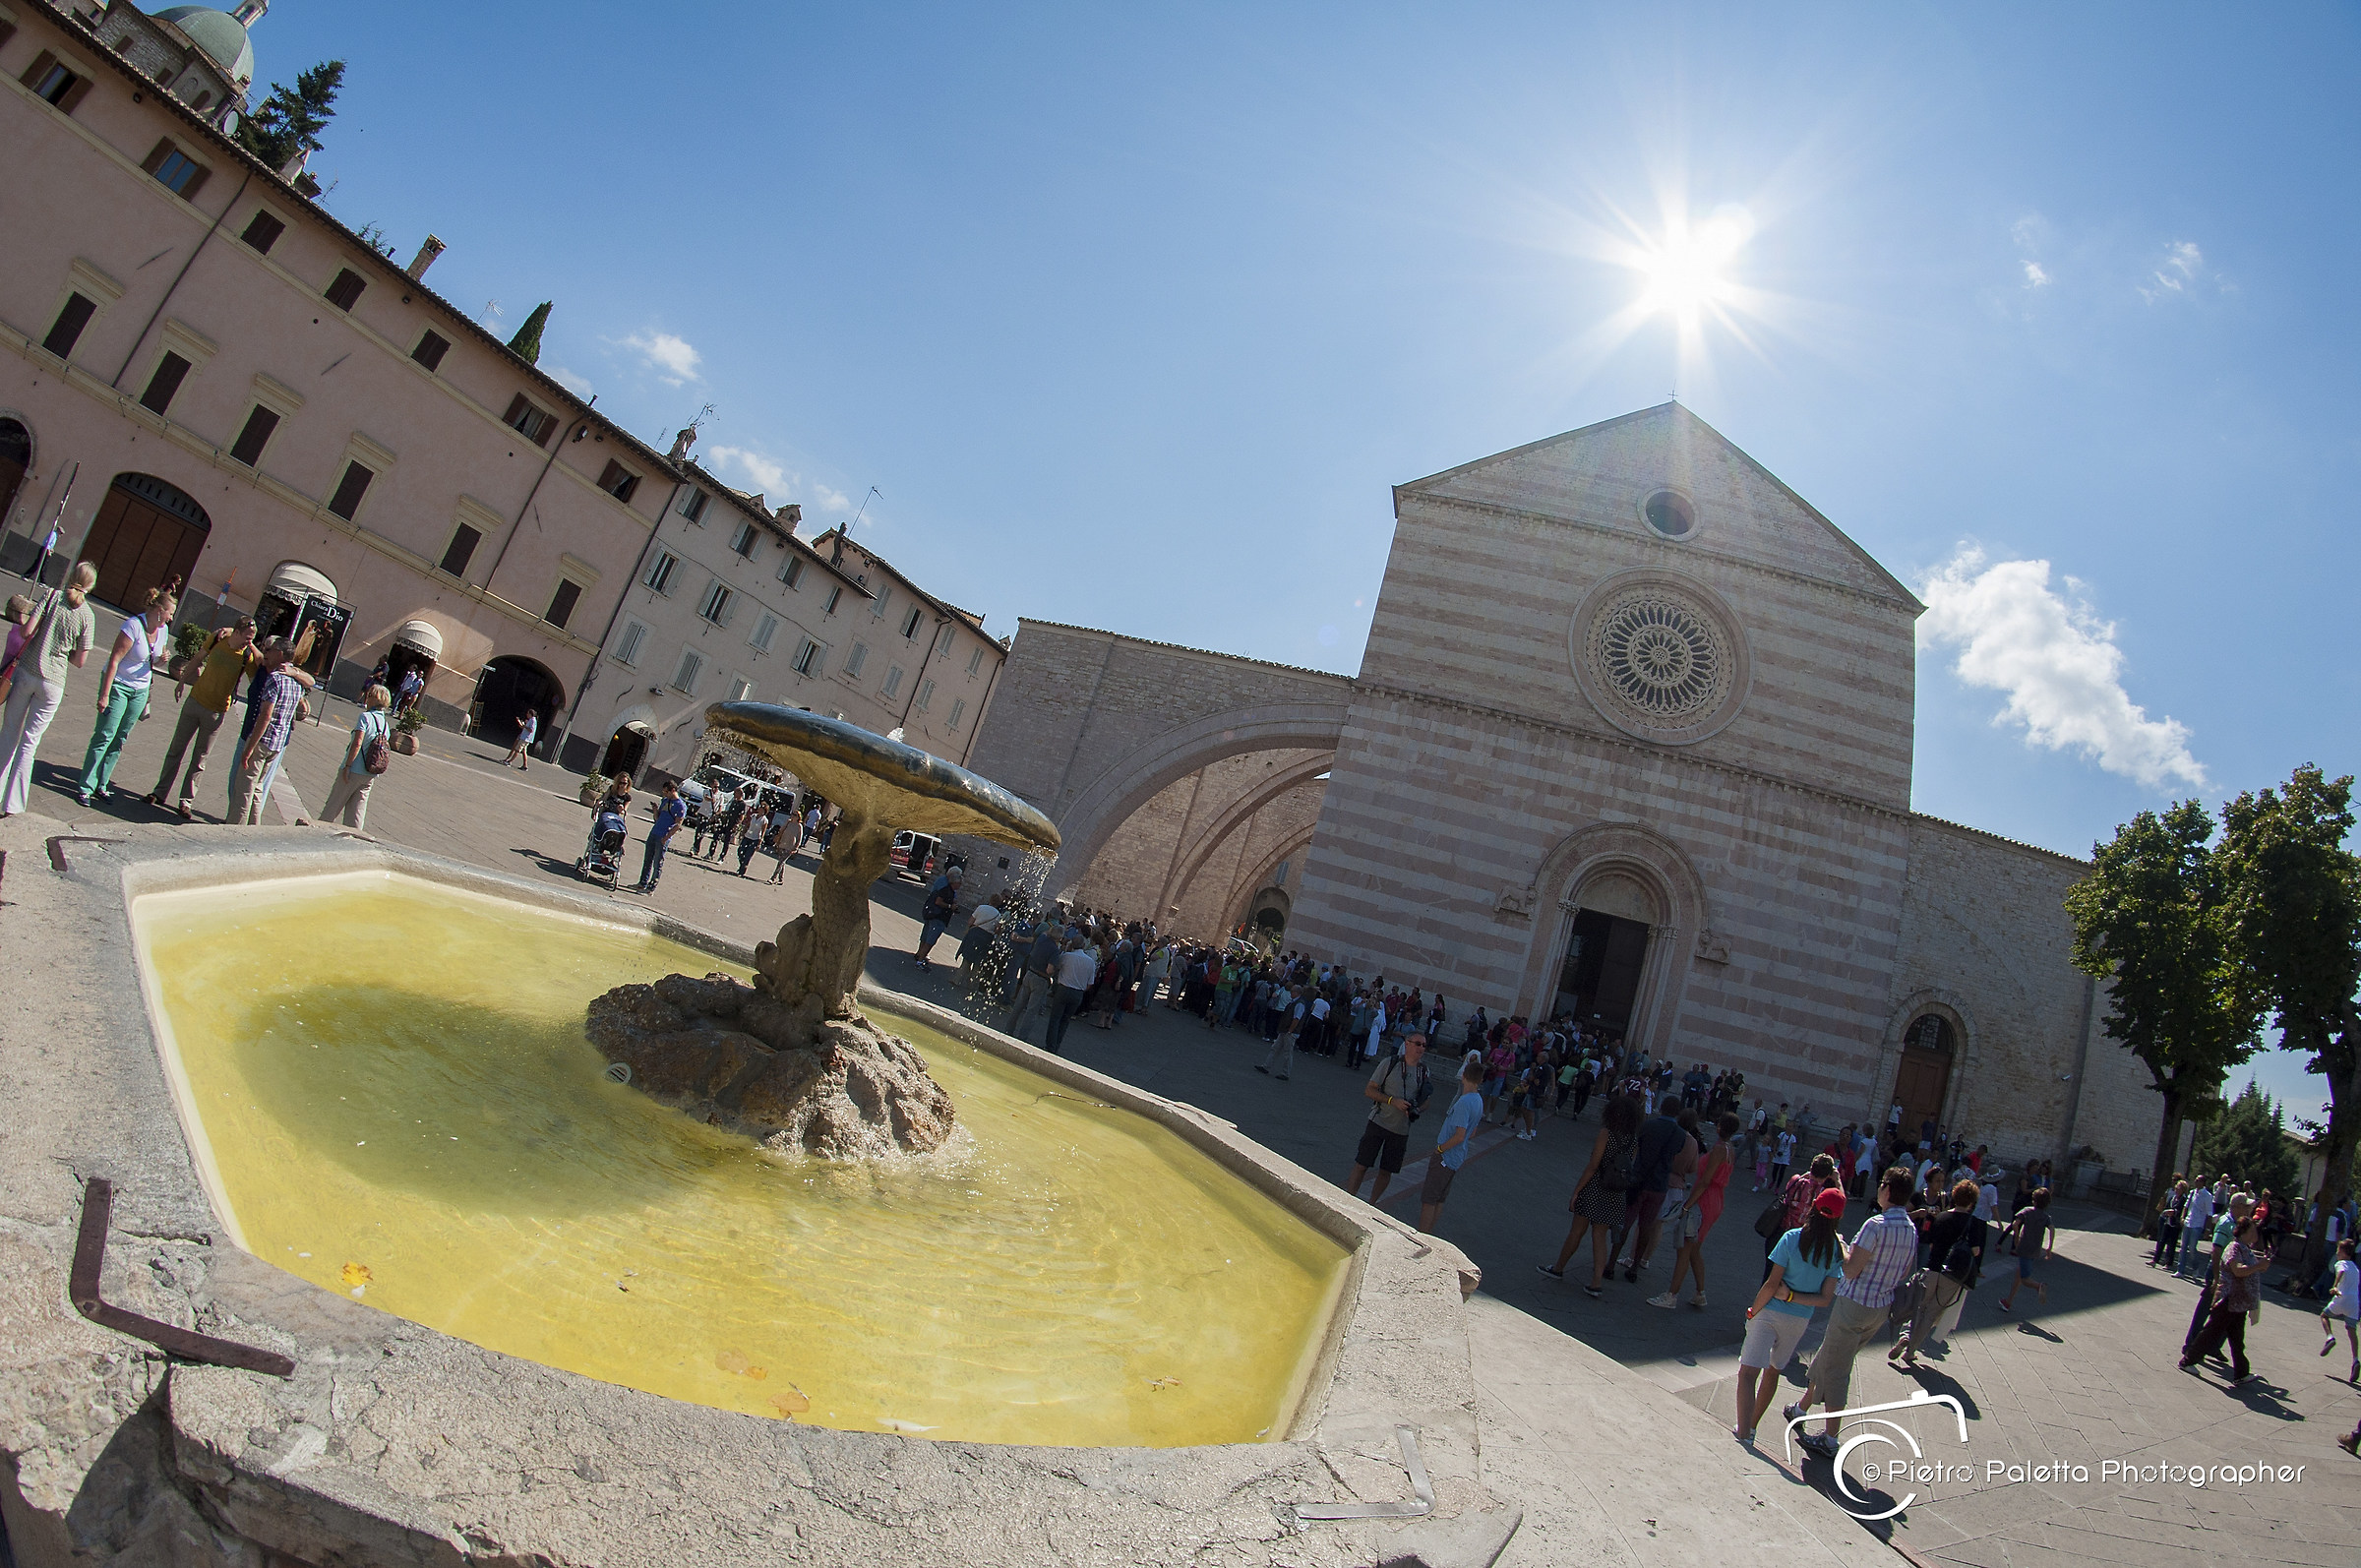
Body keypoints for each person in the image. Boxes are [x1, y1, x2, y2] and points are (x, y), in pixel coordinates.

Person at [1786, 1168, 1923, 1457]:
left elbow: (1850, 1269)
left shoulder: (1876, 1224)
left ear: (1886, 1189)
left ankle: (1830, 1438)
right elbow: (1906, 1271)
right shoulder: (1910, 1228)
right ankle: (1801, 1408)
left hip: (1855, 1304)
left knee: (1837, 1369)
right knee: (1830, 1354)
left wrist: (1842, 1245)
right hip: (1880, 1307)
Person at [1733, 1187, 1847, 1445]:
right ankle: (1751, 1427)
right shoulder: (1834, 1252)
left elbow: (1772, 1284)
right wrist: (1795, 1299)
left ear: (1814, 1208)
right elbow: (1825, 1299)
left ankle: (1743, 1434)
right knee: (1772, 1372)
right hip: (1799, 1319)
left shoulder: (1791, 1238)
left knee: (1748, 1373)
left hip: (1771, 1311)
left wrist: (1754, 1310)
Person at [0, 562, 98, 817]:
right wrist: (63, 650)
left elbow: (27, 630)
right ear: (91, 585)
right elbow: (79, 661)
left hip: (26, 672)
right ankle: (13, 805)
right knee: (29, 744)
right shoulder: (88, 615)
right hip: (53, 681)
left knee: (9, 733)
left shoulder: (52, 596)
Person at [146, 616, 266, 818]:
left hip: (217, 711)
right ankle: (160, 792)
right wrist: (182, 681)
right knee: (176, 749)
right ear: (236, 632)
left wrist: (251, 646)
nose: (249, 641)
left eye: (252, 638)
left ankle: (186, 801)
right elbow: (197, 659)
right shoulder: (217, 639)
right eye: (247, 637)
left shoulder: (248, 656)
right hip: (195, 700)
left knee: (200, 758)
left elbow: (261, 667)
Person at [76, 582, 176, 806]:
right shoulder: (132, 626)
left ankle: (102, 784)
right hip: (118, 685)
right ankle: (86, 786)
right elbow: (114, 660)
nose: (170, 619)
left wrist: (162, 660)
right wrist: (104, 694)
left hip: (140, 690)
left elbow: (151, 661)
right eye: (170, 614)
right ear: (160, 610)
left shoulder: (163, 631)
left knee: (120, 737)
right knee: (105, 734)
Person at [1540, 1095, 1643, 1297]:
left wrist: (1577, 1190)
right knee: (1600, 1235)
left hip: (1596, 1185)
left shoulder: (1606, 1133)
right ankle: (1596, 1282)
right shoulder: (1633, 1140)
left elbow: (1593, 1166)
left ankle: (1558, 1268)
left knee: (1577, 1231)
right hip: (1616, 1190)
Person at [1891, 1179, 1985, 1368]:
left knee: (1919, 1306)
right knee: (1932, 1313)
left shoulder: (1941, 1217)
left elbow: (1932, 1244)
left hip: (1933, 1268)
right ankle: (1910, 1351)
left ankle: (1905, 1336)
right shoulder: (1974, 1223)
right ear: (1972, 1202)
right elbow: (1975, 1251)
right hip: (1953, 1275)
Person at [1655, 1112, 1736, 1310]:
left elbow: (1706, 1180)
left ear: (1719, 1127)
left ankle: (1671, 1295)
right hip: (1716, 1200)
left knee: (1685, 1247)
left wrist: (1687, 1205)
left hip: (1704, 1199)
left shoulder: (1718, 1149)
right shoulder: (1730, 1149)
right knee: (1695, 1248)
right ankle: (1700, 1292)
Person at [1613, 1103, 1698, 1284]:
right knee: (1648, 1226)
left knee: (1626, 1223)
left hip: (1639, 1180)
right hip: (1659, 1185)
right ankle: (1636, 1265)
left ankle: (1611, 1262)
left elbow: (1638, 1147)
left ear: (1662, 1108)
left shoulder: (1648, 1125)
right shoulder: (1680, 1135)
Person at [2180, 1211, 2267, 1386]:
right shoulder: (2234, 1248)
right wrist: (2258, 1266)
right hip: (2228, 1299)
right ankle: (2187, 1361)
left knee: (2236, 1338)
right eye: (2252, 1231)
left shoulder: (2246, 1249)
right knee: (2211, 1332)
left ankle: (2241, 1373)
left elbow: (2251, 1269)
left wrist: (2261, 1265)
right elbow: (2238, 1270)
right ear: (2243, 1232)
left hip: (2239, 1302)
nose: (2255, 1234)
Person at [228, 638, 306, 825]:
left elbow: (266, 716)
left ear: (279, 653)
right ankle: (254, 828)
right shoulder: (297, 681)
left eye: (270, 650)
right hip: (278, 743)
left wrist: (249, 748)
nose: (267, 653)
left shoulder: (275, 678)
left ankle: (234, 830)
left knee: (244, 790)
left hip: (263, 740)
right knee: (257, 789)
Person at [1344, 1034, 1429, 1203]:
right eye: (1418, 1044)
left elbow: (1427, 1101)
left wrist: (1417, 1108)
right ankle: (1347, 1198)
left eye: (1424, 1045)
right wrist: (1392, 1101)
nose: (1421, 1048)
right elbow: (1369, 1090)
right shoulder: (1390, 1064)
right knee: (1362, 1164)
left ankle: (1372, 1204)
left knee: (1386, 1171)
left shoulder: (1424, 1071)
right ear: (1407, 1044)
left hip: (1401, 1130)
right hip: (1378, 1122)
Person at [1416, 1054, 1486, 1234]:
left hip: (1446, 1155)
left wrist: (1440, 1149)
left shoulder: (1464, 1102)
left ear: (1464, 1076)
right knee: (1439, 1198)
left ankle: (1422, 1234)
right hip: (1457, 1156)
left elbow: (1460, 1135)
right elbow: (1473, 1132)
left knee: (1429, 1198)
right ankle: (1428, 1233)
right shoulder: (1478, 1100)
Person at [319, 684, 393, 828]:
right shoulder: (385, 724)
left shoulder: (365, 717)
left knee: (333, 806)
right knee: (357, 812)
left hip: (354, 770)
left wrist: (347, 766)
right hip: (370, 773)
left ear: (372, 698)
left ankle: (317, 832)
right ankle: (354, 838)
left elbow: (357, 743)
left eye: (368, 695)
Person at [1998, 1187, 2054, 1313]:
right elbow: (2052, 1229)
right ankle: (2008, 1302)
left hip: (2024, 1248)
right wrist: (2049, 1248)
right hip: (2035, 1250)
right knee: (2019, 1274)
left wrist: (2016, 1237)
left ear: (2034, 1201)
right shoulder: (2046, 1217)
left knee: (2024, 1279)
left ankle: (2038, 1286)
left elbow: (2015, 1224)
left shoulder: (2027, 1211)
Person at [630, 781, 688, 893]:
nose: (664, 794)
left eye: (666, 792)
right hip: (655, 831)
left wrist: (666, 837)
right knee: (648, 860)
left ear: (673, 790)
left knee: (658, 863)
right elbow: (657, 818)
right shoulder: (665, 801)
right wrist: (655, 810)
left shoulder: (680, 805)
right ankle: (642, 883)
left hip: (663, 836)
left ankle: (651, 888)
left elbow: (677, 825)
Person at [1046, 937, 1096, 1053]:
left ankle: (1050, 1046)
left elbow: (1056, 968)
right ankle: (1056, 1046)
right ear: (1083, 946)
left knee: (1055, 1018)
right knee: (1065, 1020)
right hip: (1078, 992)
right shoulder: (1090, 962)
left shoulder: (1066, 956)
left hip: (1064, 988)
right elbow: (1090, 983)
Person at [2320, 1237, 2358, 1384]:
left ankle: (2330, 1337)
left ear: (2342, 1252)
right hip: (2354, 1301)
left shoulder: (2340, 1263)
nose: (2337, 1253)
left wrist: (2335, 1286)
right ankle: (2355, 1359)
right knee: (2351, 1330)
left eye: (2338, 1250)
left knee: (2324, 1315)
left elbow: (2341, 1271)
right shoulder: (2355, 1267)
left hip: (2341, 1297)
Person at [913, 866, 964, 969]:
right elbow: (938, 901)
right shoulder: (946, 888)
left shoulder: (945, 885)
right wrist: (950, 906)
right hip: (938, 915)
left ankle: (919, 954)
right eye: (959, 883)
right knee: (930, 940)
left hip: (932, 913)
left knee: (926, 935)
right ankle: (920, 960)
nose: (960, 885)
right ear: (954, 882)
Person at [2179, 1178, 2216, 1280]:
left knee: (2192, 1248)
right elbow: (2186, 1206)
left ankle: (2195, 1268)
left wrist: (2207, 1229)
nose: (2196, 1182)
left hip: (2197, 1224)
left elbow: (2209, 1213)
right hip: (2188, 1222)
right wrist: (2183, 1217)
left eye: (2198, 1181)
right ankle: (2180, 1270)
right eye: (2195, 1180)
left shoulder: (2207, 1196)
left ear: (2203, 1183)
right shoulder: (2192, 1193)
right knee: (2183, 1247)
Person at [504, 706, 538, 770]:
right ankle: (525, 765)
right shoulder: (531, 720)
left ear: (530, 714)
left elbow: (531, 730)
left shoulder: (533, 720)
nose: (527, 715)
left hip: (525, 738)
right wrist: (521, 723)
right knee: (524, 752)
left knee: (517, 750)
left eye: (528, 713)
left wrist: (525, 726)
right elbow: (524, 727)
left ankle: (509, 761)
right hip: (525, 738)